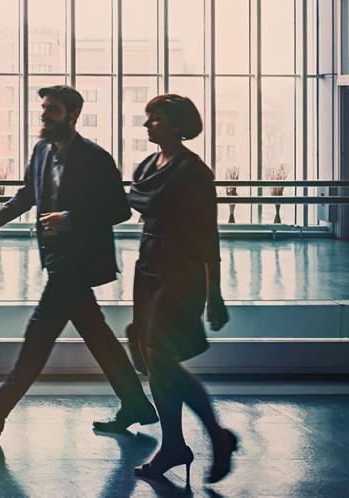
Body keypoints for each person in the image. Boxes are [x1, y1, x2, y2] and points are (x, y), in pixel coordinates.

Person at [0, 85, 157, 437]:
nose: (45, 115)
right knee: (98, 337)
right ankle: (136, 403)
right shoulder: (42, 150)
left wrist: (71, 218)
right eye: (44, 108)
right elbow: (29, 193)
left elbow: (120, 209)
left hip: (77, 262)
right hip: (58, 258)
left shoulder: (95, 157)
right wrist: (0, 216)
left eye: (53, 110)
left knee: (39, 333)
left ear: (73, 116)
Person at [128, 94, 237, 485]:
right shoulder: (149, 164)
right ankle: (177, 442)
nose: (147, 125)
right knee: (154, 357)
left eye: (154, 119)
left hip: (180, 271)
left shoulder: (193, 171)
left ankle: (213, 436)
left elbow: (208, 235)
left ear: (176, 125)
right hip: (150, 266)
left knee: (158, 356)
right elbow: (136, 200)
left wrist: (215, 293)